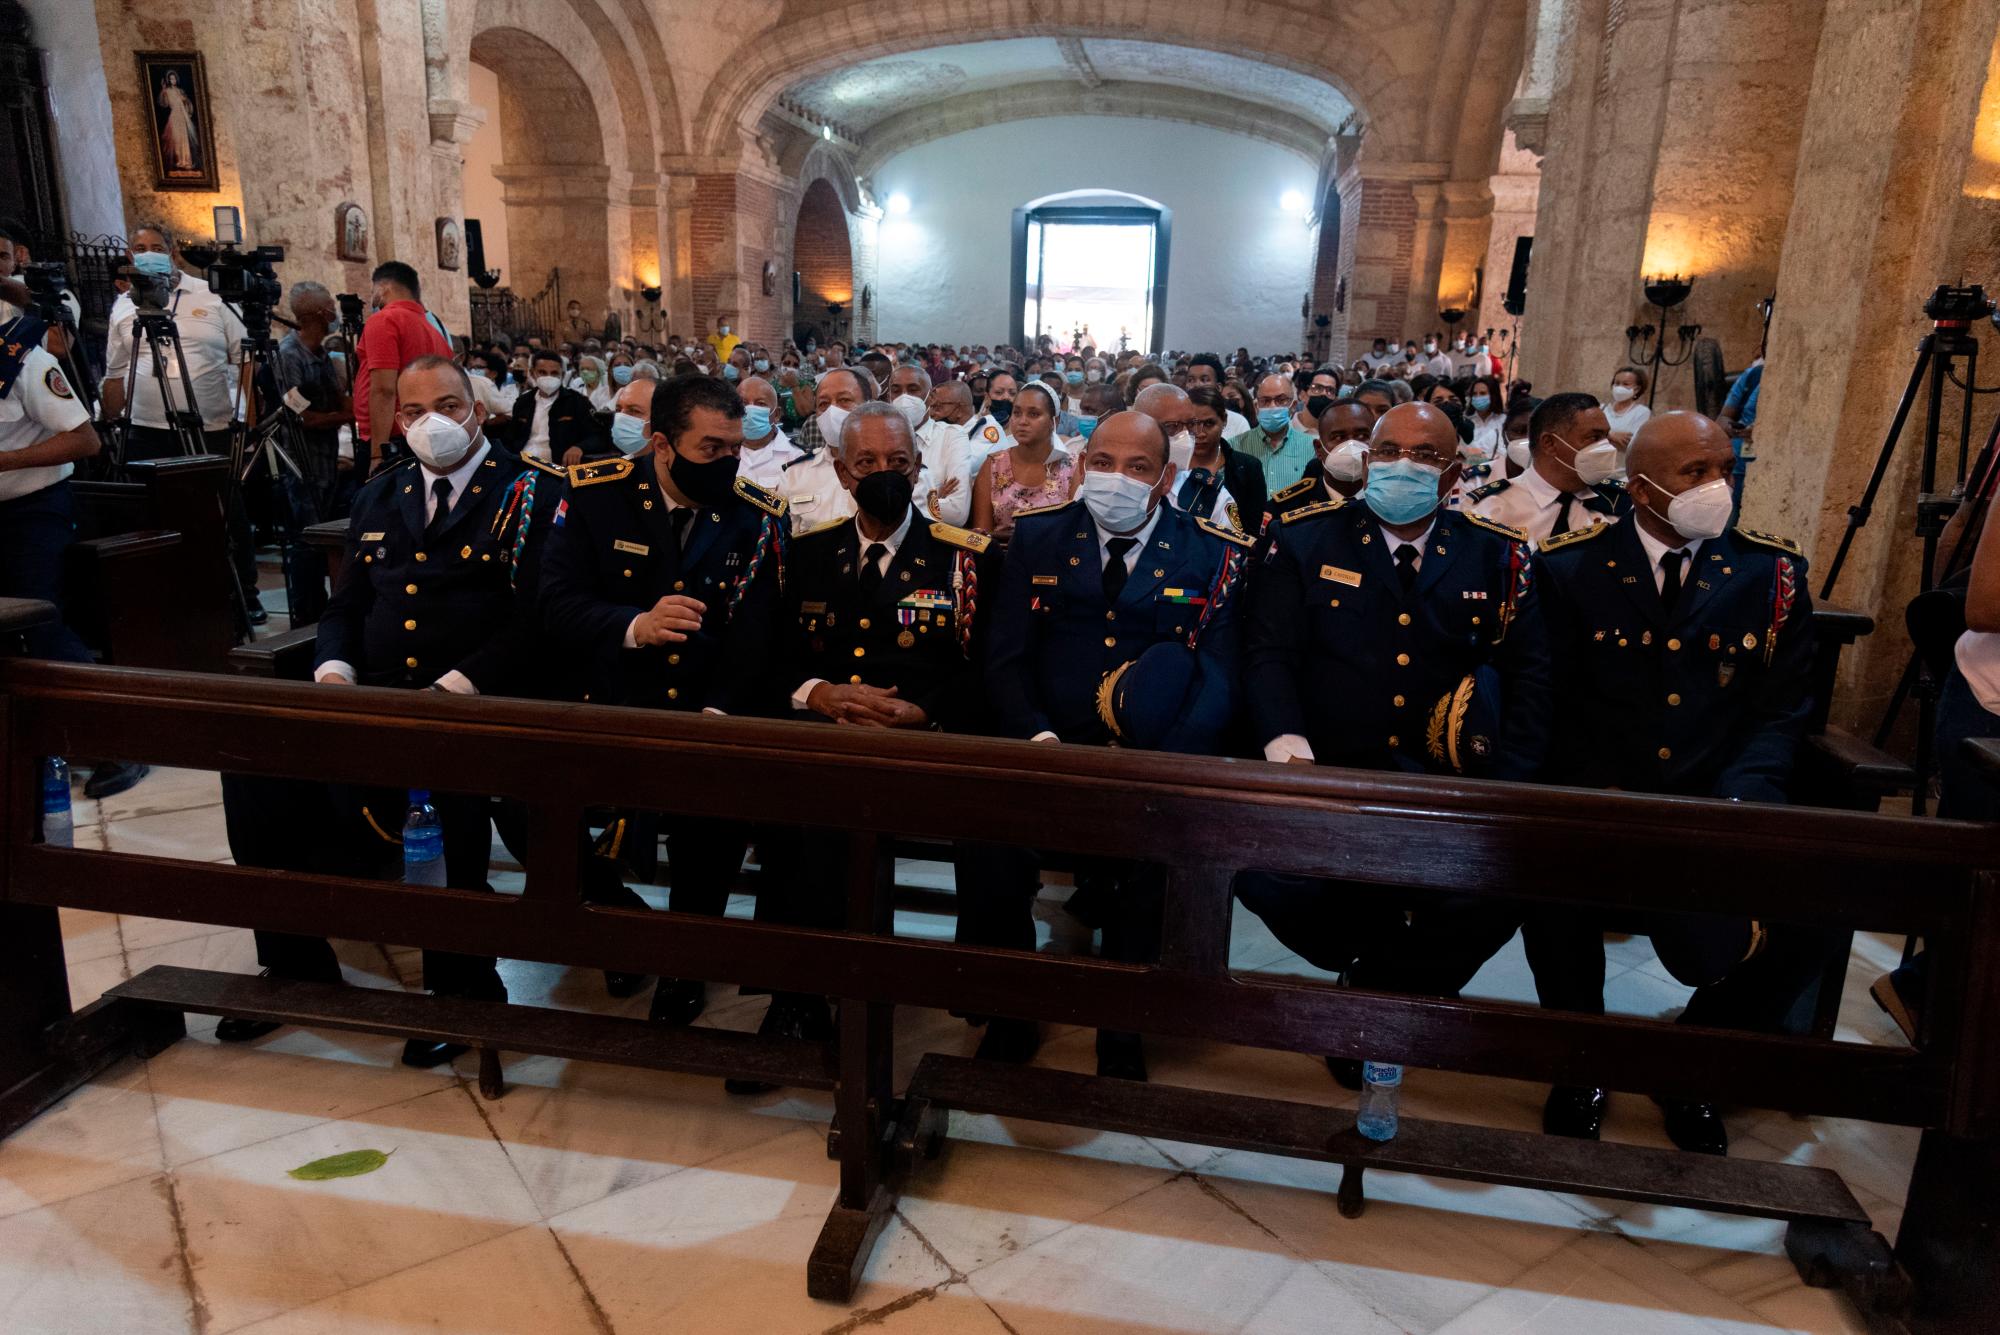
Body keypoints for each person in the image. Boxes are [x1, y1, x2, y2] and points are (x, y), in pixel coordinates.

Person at [1514, 410, 1824, 1155]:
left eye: (1726, 470)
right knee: (1548, 884)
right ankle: (1581, 1062)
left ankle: (1692, 1063)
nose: (1718, 486)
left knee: (1816, 912)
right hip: (1601, 800)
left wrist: (1742, 802)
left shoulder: (1770, 574)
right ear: (1641, 487)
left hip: (1715, 802)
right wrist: (1594, 793)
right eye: (1696, 472)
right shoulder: (1569, 568)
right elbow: (1545, 701)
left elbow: (1782, 712)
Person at [238, 355, 563, 1064]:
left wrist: (454, 688)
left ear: (478, 410)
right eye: (413, 412)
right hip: (377, 692)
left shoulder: (532, 492)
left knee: (447, 785)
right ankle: (295, 961)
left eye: (447, 406)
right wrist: (334, 671)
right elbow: (348, 606)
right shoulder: (383, 493)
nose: (431, 423)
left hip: (478, 700)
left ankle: (462, 986)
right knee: (257, 770)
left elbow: (535, 621)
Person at [1238, 401, 1548, 1077]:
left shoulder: (1496, 553)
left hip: (1448, 782)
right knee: (1266, 876)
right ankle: (1379, 973)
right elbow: (1269, 654)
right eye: (1388, 452)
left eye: (1425, 455)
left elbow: (1530, 676)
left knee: (1502, 892)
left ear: (1453, 474)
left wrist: (1510, 787)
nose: (1402, 465)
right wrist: (1289, 751)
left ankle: (1387, 992)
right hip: (1332, 771)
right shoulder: (1303, 539)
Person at [970, 409, 1251, 1080]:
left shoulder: (1211, 550)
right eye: (1102, 463)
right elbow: (1005, 658)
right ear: (1080, 466)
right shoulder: (1038, 536)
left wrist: (1160, 764)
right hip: (1049, 748)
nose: (1115, 478)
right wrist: (1037, 736)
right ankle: (1007, 1004)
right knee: (986, 840)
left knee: (1163, 851)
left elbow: (1218, 678)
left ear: (1166, 478)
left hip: (1152, 760)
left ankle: (1124, 1018)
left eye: (1137, 467)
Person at [539, 371, 798, 1040]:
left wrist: (718, 714)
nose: (728, 462)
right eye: (711, 448)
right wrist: (635, 625)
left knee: (711, 814)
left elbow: (757, 633)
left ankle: (686, 959)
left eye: (735, 447)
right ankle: (618, 922)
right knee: (532, 803)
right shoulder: (596, 497)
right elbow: (556, 603)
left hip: (707, 705)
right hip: (610, 699)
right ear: (660, 443)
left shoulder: (755, 514)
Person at [269, 282, 354, 621]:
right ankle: (307, 615)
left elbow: (339, 400)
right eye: (330, 306)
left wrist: (342, 411)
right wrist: (343, 416)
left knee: (324, 538)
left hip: (326, 460)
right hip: (302, 462)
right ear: (320, 313)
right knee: (305, 542)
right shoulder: (289, 355)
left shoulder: (321, 354)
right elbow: (301, 417)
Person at [1468, 392, 1630, 544]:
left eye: (1606, 437)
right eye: (1594, 438)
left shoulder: (1619, 503)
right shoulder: (1492, 508)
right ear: (1549, 443)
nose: (1606, 447)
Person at [1139, 382, 1265, 535]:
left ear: (1224, 420)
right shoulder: (1167, 465)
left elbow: (1244, 537)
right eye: (1172, 426)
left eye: (1208, 423)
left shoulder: (1221, 491)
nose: (1199, 433)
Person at [971, 381, 1075, 541]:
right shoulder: (994, 465)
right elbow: (981, 535)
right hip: (999, 554)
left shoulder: (1072, 468)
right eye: (1017, 413)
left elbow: (1075, 532)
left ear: (1055, 420)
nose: (1022, 421)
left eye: (1033, 414)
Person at [503, 347, 594, 465]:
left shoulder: (577, 402)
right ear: (532, 373)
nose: (548, 377)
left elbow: (597, 436)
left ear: (562, 375)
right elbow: (509, 438)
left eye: (554, 373)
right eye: (542, 372)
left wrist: (580, 447)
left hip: (556, 467)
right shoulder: (523, 402)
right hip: (522, 464)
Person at [1228, 373, 1317, 491]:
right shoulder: (1234, 446)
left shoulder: (1311, 447)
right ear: (1256, 406)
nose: (1272, 406)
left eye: (1281, 400)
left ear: (1293, 406)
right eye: (1265, 401)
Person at [917, 379, 976, 527]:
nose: (932, 412)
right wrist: (934, 496)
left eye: (939, 406)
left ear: (959, 408)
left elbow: (955, 511)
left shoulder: (960, 434)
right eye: (932, 406)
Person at [733, 374, 802, 489]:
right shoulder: (722, 453)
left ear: (776, 415)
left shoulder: (795, 457)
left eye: (760, 404)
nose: (750, 410)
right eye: (743, 403)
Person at [1182, 353, 1250, 435]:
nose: (1197, 385)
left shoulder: (1238, 423)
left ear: (1218, 387)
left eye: (1204, 380)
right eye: (1191, 380)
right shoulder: (1178, 418)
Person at [1464, 373, 1508, 464]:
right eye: (1474, 394)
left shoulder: (1504, 421)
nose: (1478, 397)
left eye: (1483, 393)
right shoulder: (1466, 421)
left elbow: (1505, 452)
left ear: (1493, 395)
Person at [1604, 366, 1652, 448]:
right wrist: (1610, 434)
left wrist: (1603, 435)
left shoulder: (1641, 412)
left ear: (1637, 389)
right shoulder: (1603, 408)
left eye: (1625, 384)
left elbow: (1631, 441)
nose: (1619, 387)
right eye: (1617, 383)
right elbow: (1589, 434)